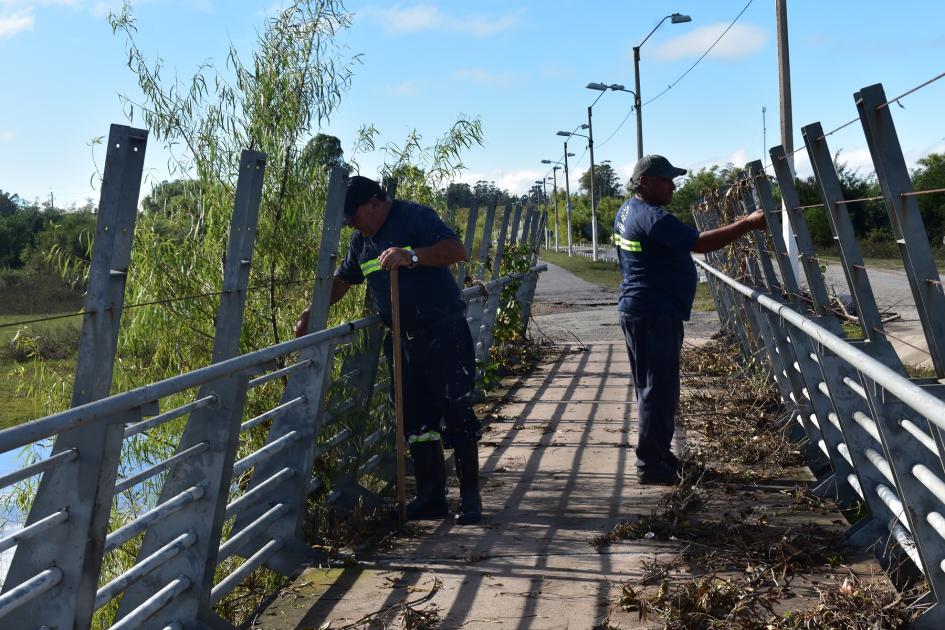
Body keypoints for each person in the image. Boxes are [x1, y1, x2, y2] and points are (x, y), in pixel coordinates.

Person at [294, 176, 483, 524]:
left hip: (442, 332)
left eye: (353, 215)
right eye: (346, 219)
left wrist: (410, 255)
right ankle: (431, 497)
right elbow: (343, 281)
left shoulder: (414, 217)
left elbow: (456, 250)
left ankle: (470, 498)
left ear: (376, 203)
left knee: (456, 412)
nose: (351, 223)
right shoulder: (361, 243)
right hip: (402, 340)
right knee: (414, 420)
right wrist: (312, 313)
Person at [615, 155, 768, 485]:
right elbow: (699, 243)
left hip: (643, 308)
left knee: (654, 387)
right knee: (659, 390)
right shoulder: (652, 216)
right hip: (653, 311)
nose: (673, 185)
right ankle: (650, 465)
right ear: (645, 182)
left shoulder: (629, 209)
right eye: (666, 179)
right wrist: (749, 223)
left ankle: (658, 454)